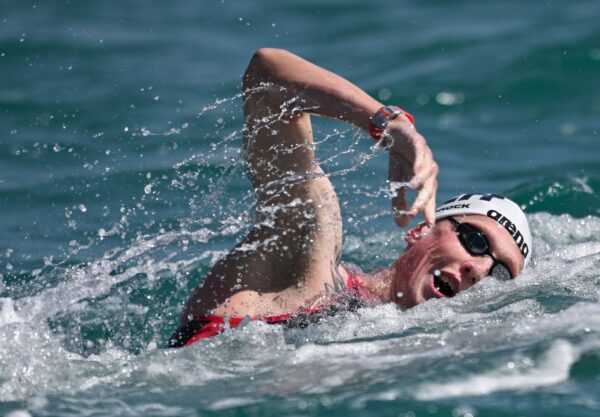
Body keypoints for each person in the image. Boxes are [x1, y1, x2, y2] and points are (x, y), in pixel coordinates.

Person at [166, 48, 532, 348]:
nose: (480, 270)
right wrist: (390, 125)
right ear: (420, 230)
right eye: (475, 240)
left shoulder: (408, 348)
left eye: (500, 273)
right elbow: (266, 76)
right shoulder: (312, 271)